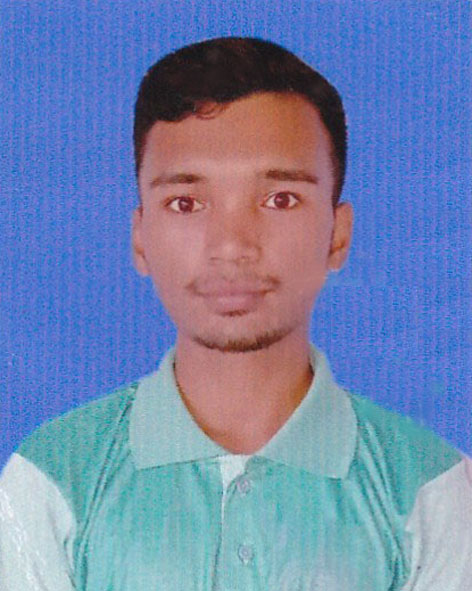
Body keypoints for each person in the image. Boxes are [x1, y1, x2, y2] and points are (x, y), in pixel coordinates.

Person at [0, 36, 470, 591]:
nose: (231, 246)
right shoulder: (53, 482)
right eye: (185, 203)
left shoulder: (431, 492)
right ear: (141, 238)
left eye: (280, 199)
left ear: (338, 235)